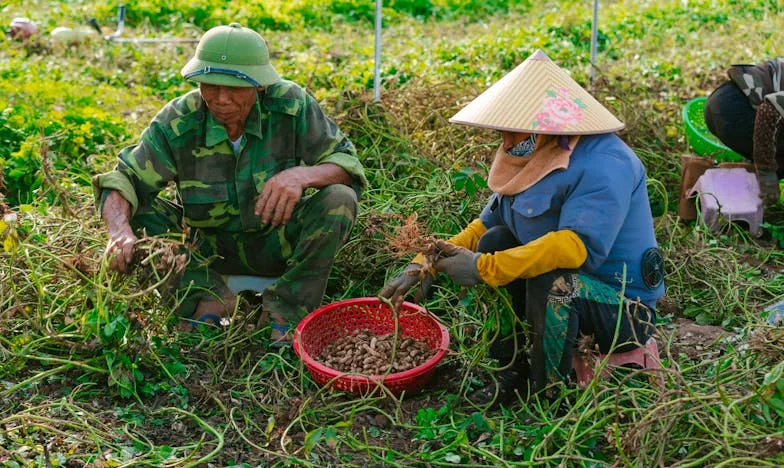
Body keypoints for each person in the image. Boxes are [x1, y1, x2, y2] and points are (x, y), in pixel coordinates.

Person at [381, 50, 664, 403]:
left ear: (545, 125)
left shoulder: (606, 164)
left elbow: (573, 248)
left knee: (554, 281)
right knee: (497, 240)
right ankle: (508, 371)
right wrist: (424, 264)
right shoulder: (534, 153)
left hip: (622, 309)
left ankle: (549, 394)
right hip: (564, 293)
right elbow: (486, 227)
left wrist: (486, 269)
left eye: (511, 129)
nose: (506, 140)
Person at [92, 23, 367, 343]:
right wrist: (119, 232)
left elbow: (347, 164)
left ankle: (286, 309)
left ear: (260, 86)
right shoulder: (179, 121)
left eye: (235, 88)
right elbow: (123, 179)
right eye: (210, 85)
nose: (220, 99)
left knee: (338, 199)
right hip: (203, 253)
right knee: (136, 212)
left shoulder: (291, 106)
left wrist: (301, 176)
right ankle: (206, 297)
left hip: (278, 242)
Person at [704, 58, 784, 205]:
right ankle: (740, 201)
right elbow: (768, 110)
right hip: (734, 108)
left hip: (725, 100)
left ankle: (734, 188)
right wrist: (767, 172)